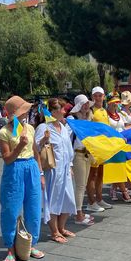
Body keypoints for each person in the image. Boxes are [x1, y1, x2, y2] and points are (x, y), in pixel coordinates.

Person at [0, 96, 45, 261]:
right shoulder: (4, 132)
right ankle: (10, 247)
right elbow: (7, 159)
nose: (26, 113)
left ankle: (31, 244)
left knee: (33, 208)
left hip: (31, 167)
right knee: (10, 209)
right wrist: (19, 145)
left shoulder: (30, 128)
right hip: (14, 169)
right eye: (23, 110)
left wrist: (40, 174)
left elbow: (35, 152)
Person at [35, 99, 78, 243]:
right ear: (54, 112)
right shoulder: (44, 127)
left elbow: (67, 147)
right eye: (62, 109)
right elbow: (35, 149)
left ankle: (61, 227)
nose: (65, 111)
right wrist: (43, 141)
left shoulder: (63, 126)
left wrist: (70, 165)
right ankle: (54, 231)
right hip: (52, 169)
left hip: (65, 168)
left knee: (68, 199)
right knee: (53, 199)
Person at [67, 95, 95, 226]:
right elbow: (67, 137)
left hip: (87, 154)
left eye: (87, 103)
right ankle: (78, 214)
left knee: (82, 184)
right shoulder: (72, 119)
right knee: (80, 185)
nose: (86, 106)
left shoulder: (88, 118)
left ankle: (79, 211)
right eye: (83, 104)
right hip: (78, 154)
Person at [86, 87, 112, 212]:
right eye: (95, 95)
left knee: (101, 174)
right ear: (92, 97)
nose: (97, 98)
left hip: (103, 147)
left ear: (103, 97)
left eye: (100, 95)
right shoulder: (90, 111)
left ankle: (100, 198)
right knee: (92, 175)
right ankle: (91, 202)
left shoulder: (104, 110)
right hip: (94, 147)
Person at [106, 96, 131, 202]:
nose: (115, 104)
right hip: (112, 144)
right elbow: (107, 130)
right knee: (116, 168)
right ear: (108, 103)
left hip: (121, 144)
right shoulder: (106, 116)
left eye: (117, 102)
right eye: (113, 102)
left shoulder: (120, 115)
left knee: (120, 168)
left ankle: (113, 189)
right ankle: (124, 191)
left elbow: (123, 128)